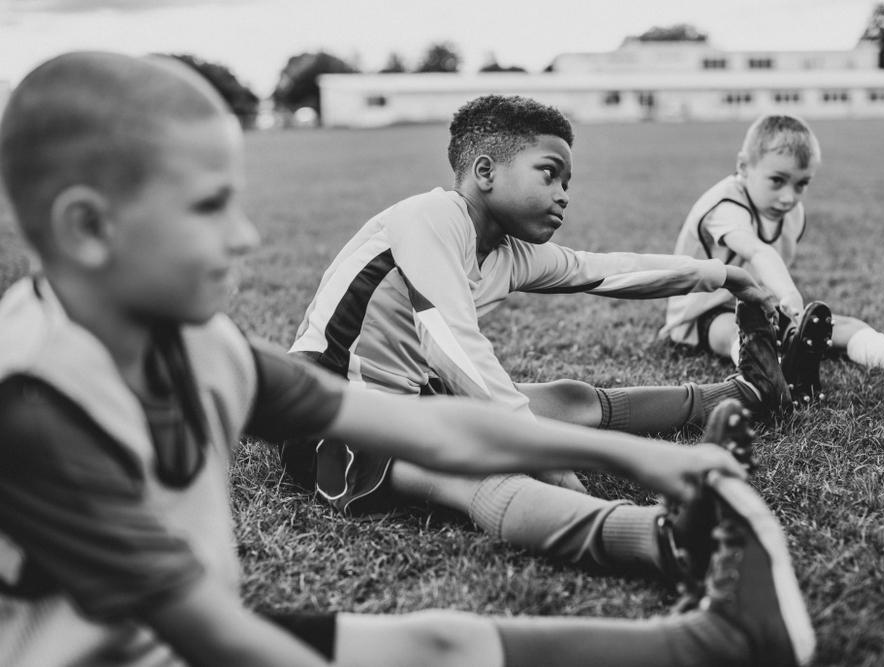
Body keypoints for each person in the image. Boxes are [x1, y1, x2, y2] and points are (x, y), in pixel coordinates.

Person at [0, 51, 815, 667]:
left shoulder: (203, 346)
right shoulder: (38, 407)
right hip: (214, 586)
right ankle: (663, 542)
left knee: (448, 634)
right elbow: (217, 637)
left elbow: (602, 276)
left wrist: (635, 448)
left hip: (363, 437)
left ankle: (719, 635)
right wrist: (576, 471)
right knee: (455, 563)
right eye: (212, 206)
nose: (246, 236)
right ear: (87, 228)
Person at [285, 94, 792, 581]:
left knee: (567, 398)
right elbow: (452, 341)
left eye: (568, 180)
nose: (564, 193)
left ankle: (744, 394)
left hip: (409, 400)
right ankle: (661, 538)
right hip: (329, 409)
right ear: (485, 172)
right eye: (549, 173)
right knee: (473, 470)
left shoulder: (506, 250)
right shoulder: (429, 217)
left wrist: (724, 277)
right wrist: (536, 452)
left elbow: (605, 272)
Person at [658, 113, 884, 400]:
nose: (789, 196)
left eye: (801, 184)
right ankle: (770, 373)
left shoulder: (792, 213)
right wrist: (788, 294)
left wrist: (778, 306)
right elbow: (756, 250)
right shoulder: (724, 206)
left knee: (842, 326)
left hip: (758, 305)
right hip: (700, 314)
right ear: (744, 166)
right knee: (729, 331)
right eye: (777, 180)